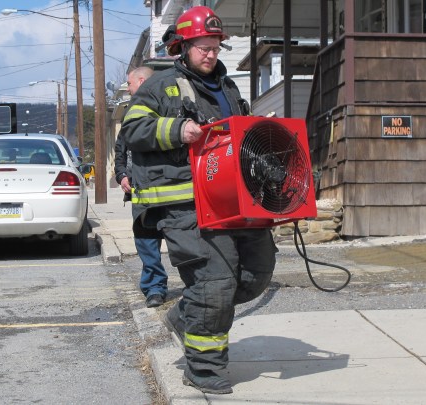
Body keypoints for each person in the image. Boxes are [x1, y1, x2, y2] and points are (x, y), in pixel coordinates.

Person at [119, 6, 277, 395]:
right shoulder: (160, 86)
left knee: (256, 273)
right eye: (203, 47)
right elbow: (133, 130)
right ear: (184, 47)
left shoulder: (229, 88)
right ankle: (204, 368)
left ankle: (184, 315)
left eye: (215, 47)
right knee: (214, 283)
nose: (210, 54)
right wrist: (177, 129)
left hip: (231, 200)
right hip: (184, 206)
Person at [114, 67, 168, 308]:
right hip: (141, 189)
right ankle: (154, 288)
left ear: (142, 80)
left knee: (183, 241)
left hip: (171, 186)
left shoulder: (168, 103)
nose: (127, 88)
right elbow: (121, 148)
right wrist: (121, 175)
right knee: (146, 240)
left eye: (129, 83)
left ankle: (197, 287)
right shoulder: (131, 111)